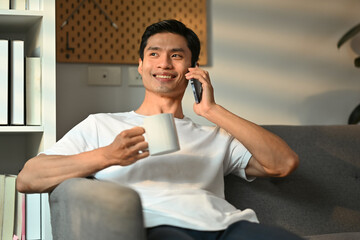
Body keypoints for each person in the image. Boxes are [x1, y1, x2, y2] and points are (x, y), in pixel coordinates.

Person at [17, 19, 302, 239]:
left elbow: (283, 164)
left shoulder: (214, 136)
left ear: (193, 69)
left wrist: (211, 111)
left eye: (177, 56)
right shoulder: (102, 125)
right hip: (156, 229)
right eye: (154, 54)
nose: (164, 63)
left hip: (227, 227)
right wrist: (109, 155)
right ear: (140, 66)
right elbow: (27, 179)